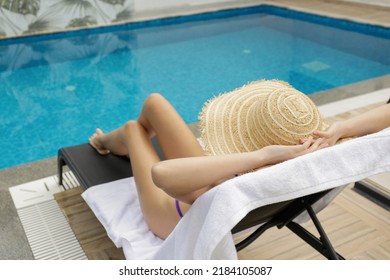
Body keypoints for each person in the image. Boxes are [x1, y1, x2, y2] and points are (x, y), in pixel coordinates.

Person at [89, 80, 389, 239]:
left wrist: (260, 154)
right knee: (154, 102)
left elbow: (162, 174)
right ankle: (109, 141)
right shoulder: (315, 153)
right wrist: (340, 130)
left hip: (173, 216)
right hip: (208, 183)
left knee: (133, 129)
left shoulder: (258, 166)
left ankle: (104, 142)